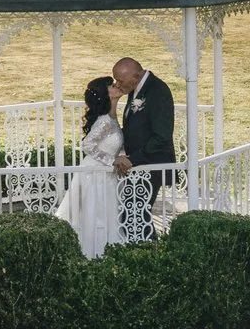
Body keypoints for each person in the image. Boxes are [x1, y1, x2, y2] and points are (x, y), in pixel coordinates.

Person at [57, 77, 124, 257]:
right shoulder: (104, 121)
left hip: (105, 174)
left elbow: (114, 144)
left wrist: (122, 156)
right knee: (96, 214)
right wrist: (112, 161)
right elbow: (88, 145)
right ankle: (93, 253)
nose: (117, 85)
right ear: (105, 93)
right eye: (112, 85)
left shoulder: (111, 117)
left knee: (106, 213)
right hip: (95, 174)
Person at [110, 55, 176, 175]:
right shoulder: (134, 87)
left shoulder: (157, 91)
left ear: (136, 76)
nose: (117, 85)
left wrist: (133, 159)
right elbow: (135, 126)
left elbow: (162, 135)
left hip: (151, 166)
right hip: (135, 166)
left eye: (120, 81)